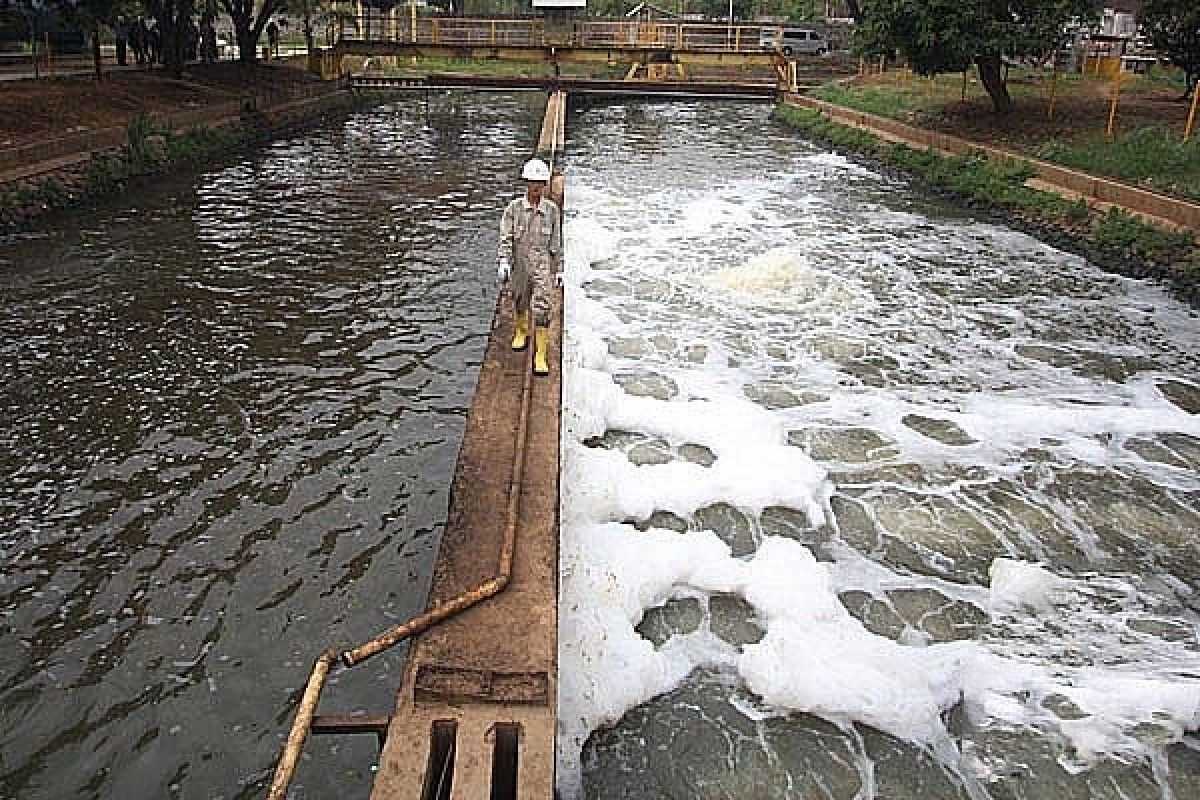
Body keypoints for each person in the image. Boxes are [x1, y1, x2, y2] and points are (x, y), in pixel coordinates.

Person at [497, 158, 562, 376]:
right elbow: (506, 237)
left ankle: (540, 354)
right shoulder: (513, 209)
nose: (536, 186)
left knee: (543, 306)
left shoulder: (552, 211)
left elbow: (556, 242)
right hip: (520, 263)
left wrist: (559, 269)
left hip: (542, 264)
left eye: (540, 182)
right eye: (532, 182)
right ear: (526, 183)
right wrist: (504, 260)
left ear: (544, 185)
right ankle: (521, 330)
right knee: (520, 298)